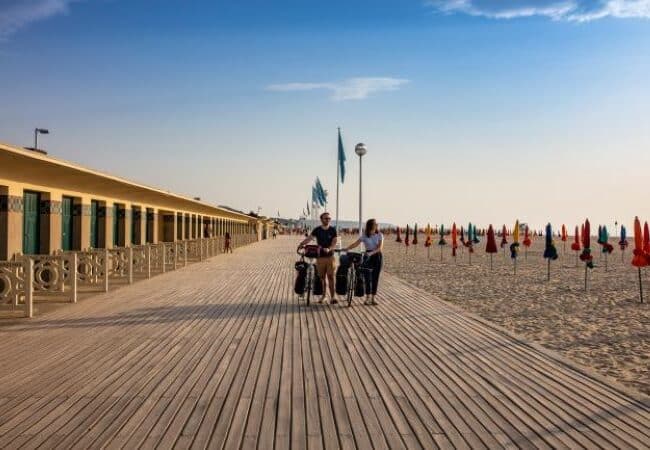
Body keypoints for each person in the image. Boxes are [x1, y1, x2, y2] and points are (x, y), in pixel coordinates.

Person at [298, 212, 339, 304]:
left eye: (329, 218)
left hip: (330, 257)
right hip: (320, 257)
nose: (327, 220)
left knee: (331, 277)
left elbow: (334, 242)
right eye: (325, 218)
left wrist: (329, 248)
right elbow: (309, 238)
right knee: (322, 278)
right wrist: (301, 244)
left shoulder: (333, 230)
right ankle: (324, 296)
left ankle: (333, 297)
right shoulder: (317, 230)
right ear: (321, 219)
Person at [345, 218, 383, 305]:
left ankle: (373, 298)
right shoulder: (365, 235)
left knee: (375, 278)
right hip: (367, 257)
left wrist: (371, 253)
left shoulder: (379, 234)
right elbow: (356, 243)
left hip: (377, 256)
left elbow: (380, 248)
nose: (377, 225)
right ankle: (367, 297)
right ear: (371, 226)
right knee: (367, 277)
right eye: (375, 224)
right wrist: (348, 248)